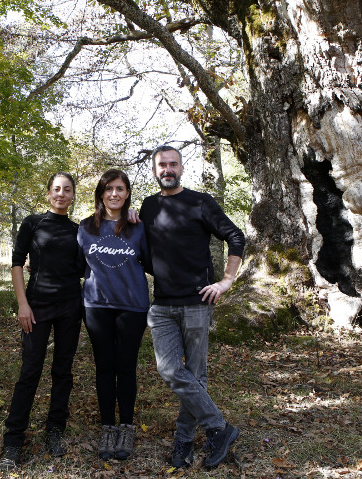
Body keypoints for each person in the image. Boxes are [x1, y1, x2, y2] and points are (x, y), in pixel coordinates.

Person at [139, 145, 245, 470]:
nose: (167, 169)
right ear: (155, 170)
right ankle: (219, 428)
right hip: (163, 306)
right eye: (162, 165)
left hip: (198, 303)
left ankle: (183, 443)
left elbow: (235, 236)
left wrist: (226, 281)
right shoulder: (148, 206)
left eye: (172, 164)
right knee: (171, 370)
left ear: (181, 168)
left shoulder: (200, 202)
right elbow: (138, 250)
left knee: (195, 376)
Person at [0, 172, 82, 471]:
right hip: (37, 306)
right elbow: (17, 261)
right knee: (30, 370)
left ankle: (55, 431)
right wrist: (23, 304)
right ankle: (13, 441)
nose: (61, 194)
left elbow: (87, 265)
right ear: (48, 193)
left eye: (67, 189)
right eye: (56, 189)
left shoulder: (79, 229)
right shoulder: (32, 223)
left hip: (71, 307)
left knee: (63, 370)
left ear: (73, 195)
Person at [77, 169, 150, 461]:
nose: (114, 194)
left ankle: (126, 426)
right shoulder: (85, 227)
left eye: (120, 189)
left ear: (128, 193)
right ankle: (108, 426)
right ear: (101, 193)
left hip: (132, 306)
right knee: (104, 366)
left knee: (126, 366)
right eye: (109, 189)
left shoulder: (138, 227)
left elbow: (154, 260)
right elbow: (76, 265)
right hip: (96, 306)